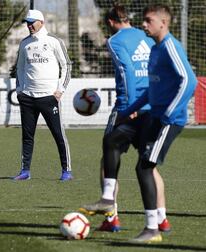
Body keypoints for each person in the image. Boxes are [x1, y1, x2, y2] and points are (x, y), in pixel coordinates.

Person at [79, 4, 170, 234]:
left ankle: (111, 216)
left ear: (110, 22)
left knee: (108, 158)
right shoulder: (147, 35)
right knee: (149, 165)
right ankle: (162, 219)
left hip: (128, 108)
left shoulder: (116, 40)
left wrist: (128, 108)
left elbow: (127, 70)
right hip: (152, 105)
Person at [117, 4, 196, 242]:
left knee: (145, 167)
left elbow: (188, 82)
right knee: (144, 166)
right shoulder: (155, 49)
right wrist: (129, 110)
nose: (143, 24)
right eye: (143, 20)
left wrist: (168, 115)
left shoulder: (171, 46)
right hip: (155, 117)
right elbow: (152, 90)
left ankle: (152, 229)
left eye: (149, 20)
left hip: (168, 120)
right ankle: (158, 222)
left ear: (163, 23)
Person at [12, 9, 72, 181]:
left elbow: (66, 65)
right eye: (27, 22)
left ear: (41, 22)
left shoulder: (54, 41)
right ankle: (25, 171)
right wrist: (19, 90)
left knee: (58, 134)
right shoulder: (24, 43)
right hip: (28, 98)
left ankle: (66, 170)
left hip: (49, 97)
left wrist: (61, 89)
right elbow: (20, 68)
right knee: (27, 136)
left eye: (32, 22)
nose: (29, 25)